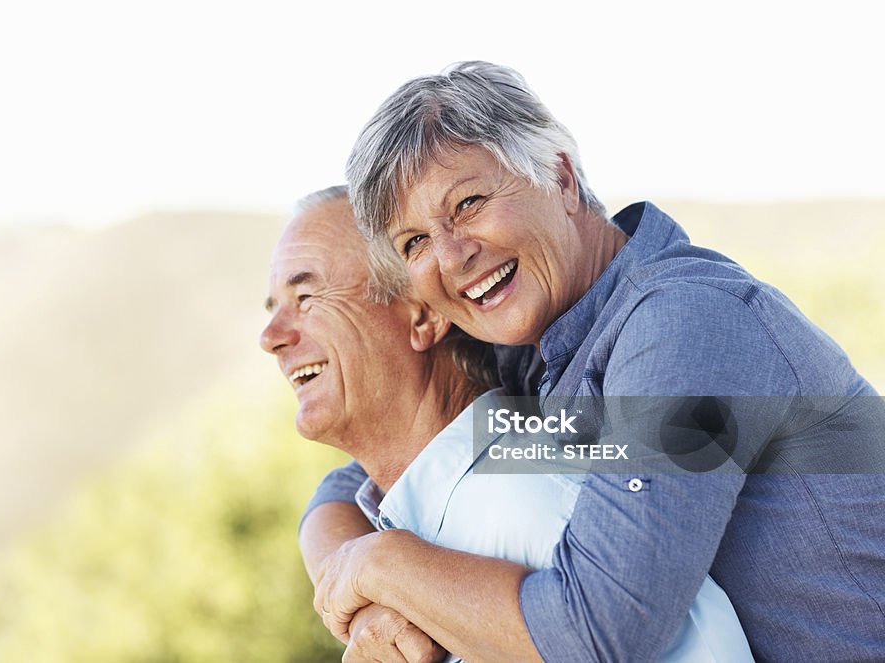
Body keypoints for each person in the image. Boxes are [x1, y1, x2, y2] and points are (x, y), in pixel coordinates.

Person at [306, 62, 885, 661]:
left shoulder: (682, 322)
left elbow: (600, 633)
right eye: (415, 243)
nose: (452, 257)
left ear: (559, 178)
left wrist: (380, 565)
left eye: (469, 203)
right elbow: (355, 479)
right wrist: (348, 582)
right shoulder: (530, 349)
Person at [262, 187, 754, 662]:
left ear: (421, 316)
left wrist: (375, 565)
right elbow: (339, 491)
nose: (270, 338)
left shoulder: (531, 505)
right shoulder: (426, 510)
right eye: (275, 309)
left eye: (306, 297)